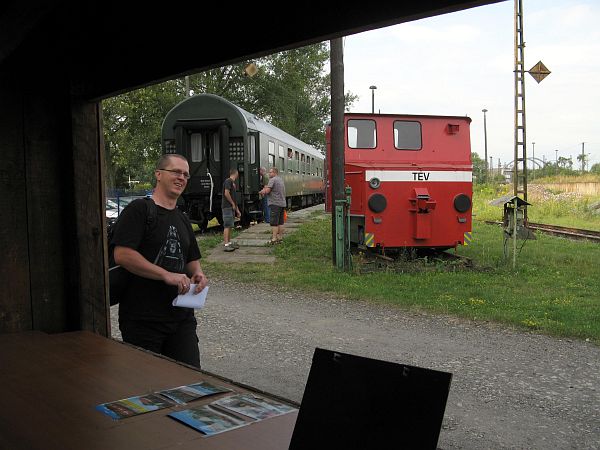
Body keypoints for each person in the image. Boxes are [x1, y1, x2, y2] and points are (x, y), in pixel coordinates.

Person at [111, 154, 208, 368]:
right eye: (176, 172)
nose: (181, 177)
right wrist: (165, 274)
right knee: (148, 388)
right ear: (158, 174)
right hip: (143, 320)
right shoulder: (139, 210)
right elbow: (123, 254)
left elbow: (192, 259)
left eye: (185, 174)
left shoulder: (182, 218)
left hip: (181, 319)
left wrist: (199, 275)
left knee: (190, 382)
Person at [259, 167, 286, 244]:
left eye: (270, 172)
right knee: (281, 222)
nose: (269, 174)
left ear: (274, 173)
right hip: (282, 203)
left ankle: (274, 239)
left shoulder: (272, 180)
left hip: (275, 204)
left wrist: (262, 192)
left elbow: (267, 191)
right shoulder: (280, 179)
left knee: (274, 223)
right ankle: (280, 238)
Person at [222, 168, 241, 252]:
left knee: (230, 225)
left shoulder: (232, 183)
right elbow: (226, 193)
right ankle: (226, 244)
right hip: (227, 206)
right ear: (236, 173)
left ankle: (229, 242)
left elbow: (234, 197)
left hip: (231, 207)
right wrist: (232, 204)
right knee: (227, 225)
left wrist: (237, 210)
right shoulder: (228, 181)